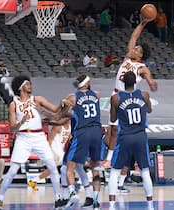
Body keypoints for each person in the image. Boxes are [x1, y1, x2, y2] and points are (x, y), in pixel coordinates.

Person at [0, 75, 65, 210]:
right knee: (13, 171)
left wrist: (63, 104)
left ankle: (58, 198)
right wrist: (22, 121)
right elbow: (12, 128)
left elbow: (55, 111)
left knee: (52, 166)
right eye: (27, 84)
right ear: (21, 87)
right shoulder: (14, 104)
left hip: (39, 136)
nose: (30, 85)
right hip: (23, 138)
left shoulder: (37, 99)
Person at [103, 16, 158, 192]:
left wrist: (150, 82)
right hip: (116, 94)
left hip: (129, 99)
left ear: (141, 55)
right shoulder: (128, 58)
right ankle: (110, 159)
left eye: (137, 49)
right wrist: (142, 24)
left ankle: (114, 163)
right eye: (135, 48)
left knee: (118, 130)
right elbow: (133, 38)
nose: (134, 48)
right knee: (111, 129)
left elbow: (149, 78)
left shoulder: (141, 67)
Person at [108, 71, 153, 210]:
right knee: (145, 171)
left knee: (115, 171)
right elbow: (149, 110)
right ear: (135, 82)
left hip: (125, 137)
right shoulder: (144, 95)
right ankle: (150, 205)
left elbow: (113, 118)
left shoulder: (116, 98)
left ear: (122, 82)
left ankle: (111, 205)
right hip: (140, 136)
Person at [62, 75, 103, 209]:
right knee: (95, 167)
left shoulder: (72, 97)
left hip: (82, 133)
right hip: (97, 131)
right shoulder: (97, 95)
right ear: (87, 83)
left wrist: (64, 103)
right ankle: (94, 199)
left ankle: (73, 193)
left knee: (70, 166)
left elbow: (62, 115)